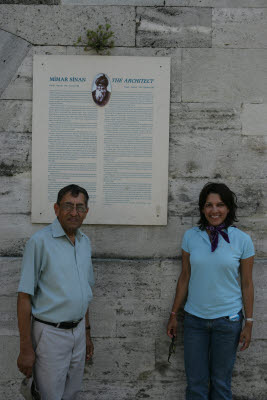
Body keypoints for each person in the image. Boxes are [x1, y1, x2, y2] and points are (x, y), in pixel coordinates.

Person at [167, 182, 255, 400]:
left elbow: (247, 283)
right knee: (195, 385)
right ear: (202, 208)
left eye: (220, 205)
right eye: (209, 205)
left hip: (228, 321)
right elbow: (185, 277)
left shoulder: (243, 240)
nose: (214, 211)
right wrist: (173, 314)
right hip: (195, 321)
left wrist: (249, 322)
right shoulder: (190, 237)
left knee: (221, 385)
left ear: (228, 208)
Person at [17, 184, 95, 400]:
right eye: (68, 206)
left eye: (80, 207)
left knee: (72, 393)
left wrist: (87, 332)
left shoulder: (84, 243)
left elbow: (84, 291)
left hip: (78, 332)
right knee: (50, 395)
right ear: (56, 208)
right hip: (50, 334)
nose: (74, 212)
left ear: (86, 212)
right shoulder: (39, 242)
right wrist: (25, 348)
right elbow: (24, 297)